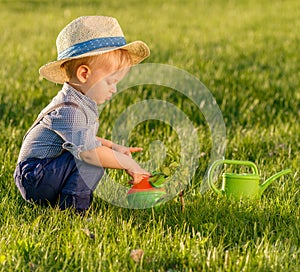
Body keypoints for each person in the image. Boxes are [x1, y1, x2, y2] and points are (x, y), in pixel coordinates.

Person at [14, 16, 151, 213]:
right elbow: (89, 151)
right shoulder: (69, 110)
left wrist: (113, 147)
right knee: (91, 158)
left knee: (91, 152)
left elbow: (84, 138)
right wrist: (129, 164)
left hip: (41, 172)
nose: (114, 89)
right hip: (35, 178)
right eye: (111, 82)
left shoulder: (79, 101)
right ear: (84, 74)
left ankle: (63, 201)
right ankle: (74, 211)